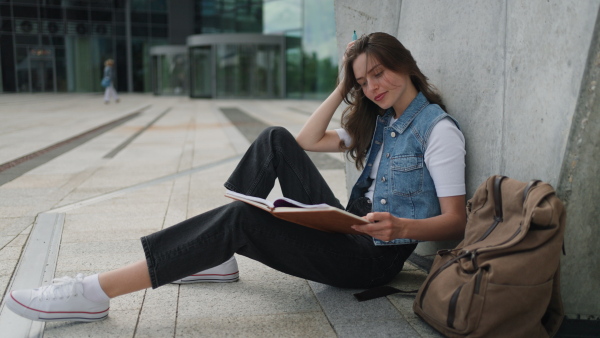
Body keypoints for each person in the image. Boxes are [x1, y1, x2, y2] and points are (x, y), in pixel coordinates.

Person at [4, 32, 466, 322]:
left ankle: (94, 292)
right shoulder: (380, 118)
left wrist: (400, 228)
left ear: (405, 65)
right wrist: (345, 82)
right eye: (365, 82)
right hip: (349, 228)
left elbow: (456, 222)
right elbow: (304, 139)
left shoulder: (437, 132)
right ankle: (217, 255)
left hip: (371, 261)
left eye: (379, 74)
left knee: (238, 221)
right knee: (274, 138)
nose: (373, 88)